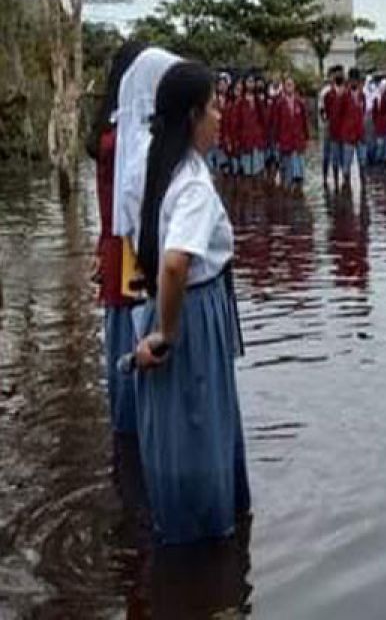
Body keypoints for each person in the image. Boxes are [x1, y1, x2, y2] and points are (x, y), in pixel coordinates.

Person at [132, 60, 251, 546]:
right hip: (191, 312)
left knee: (174, 429)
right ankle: (206, 547)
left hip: (170, 304)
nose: (221, 116)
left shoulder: (163, 167)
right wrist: (169, 331)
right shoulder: (195, 186)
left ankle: (178, 538)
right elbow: (177, 263)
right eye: (214, 107)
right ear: (192, 118)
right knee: (199, 426)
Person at [87, 40, 147, 437]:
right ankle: (133, 428)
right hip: (128, 248)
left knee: (119, 333)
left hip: (112, 245)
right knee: (132, 334)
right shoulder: (127, 132)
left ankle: (124, 430)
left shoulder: (108, 126)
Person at [272, 76, 309, 186]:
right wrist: (277, 141)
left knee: (300, 175)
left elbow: (304, 122)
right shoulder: (279, 104)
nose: (289, 87)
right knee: (287, 176)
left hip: (298, 142)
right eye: (287, 85)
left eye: (291, 85)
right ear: (284, 87)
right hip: (285, 143)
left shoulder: (300, 103)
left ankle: (298, 197)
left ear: (294, 87)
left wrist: (306, 139)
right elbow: (276, 124)